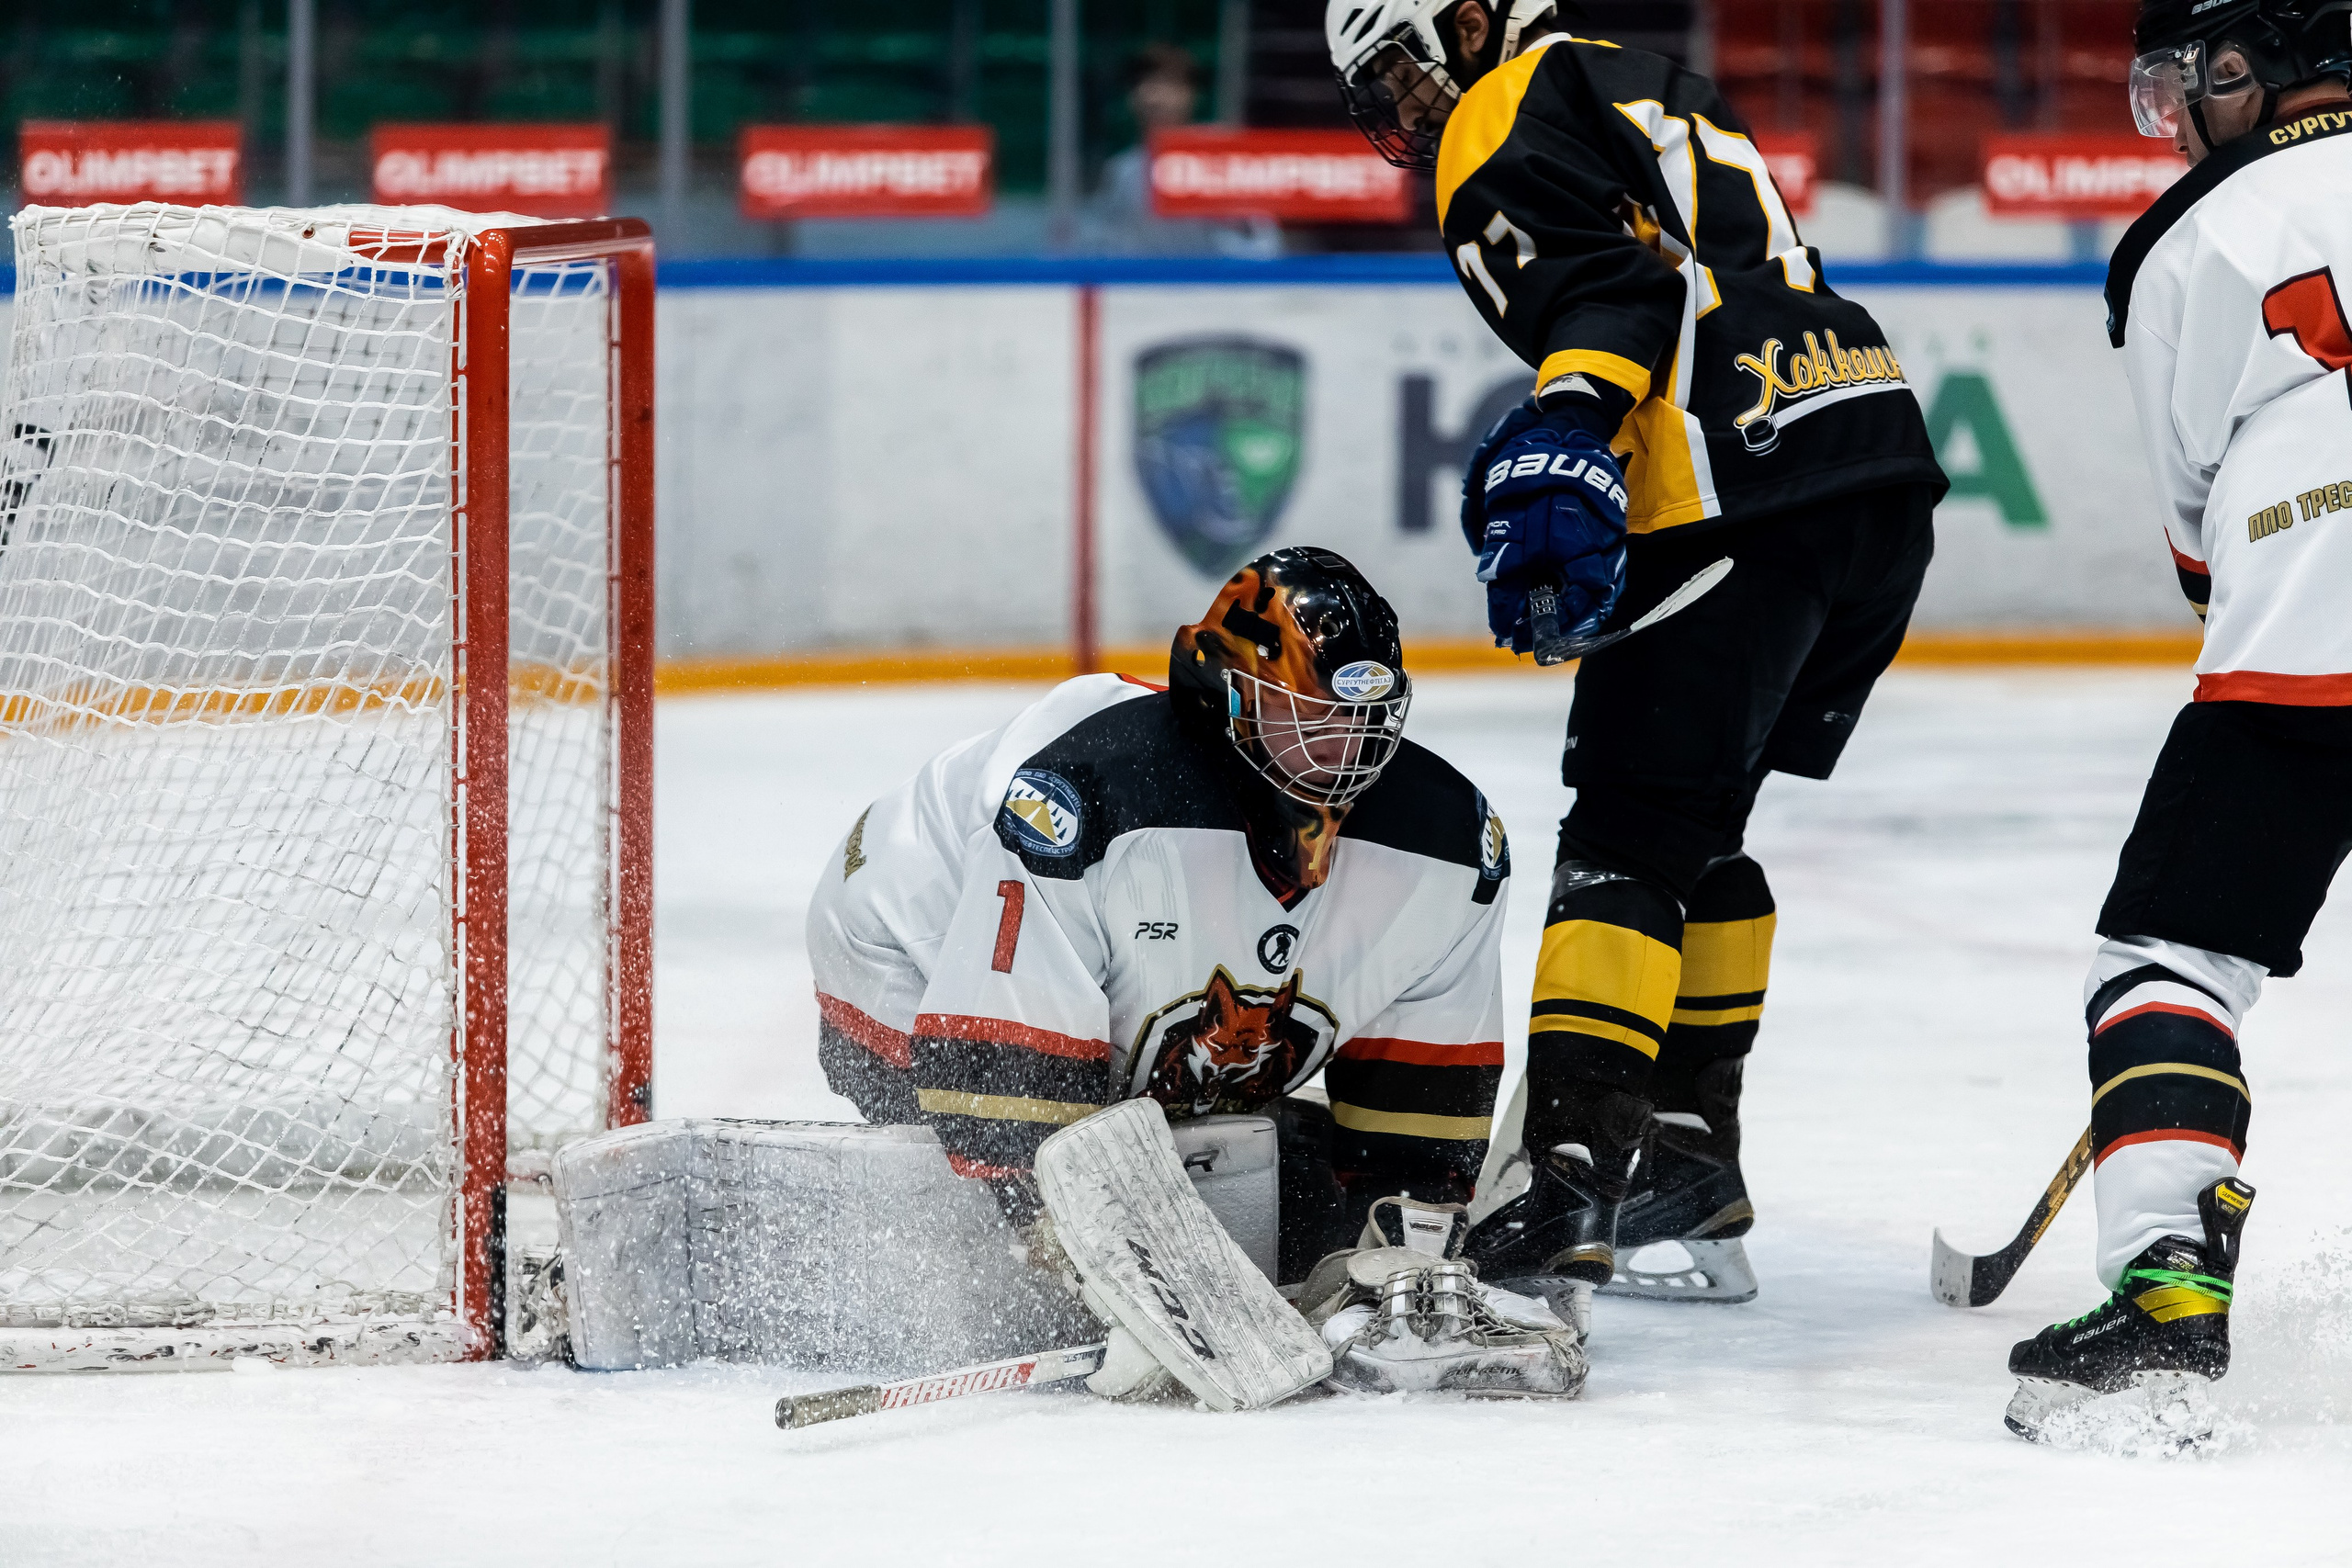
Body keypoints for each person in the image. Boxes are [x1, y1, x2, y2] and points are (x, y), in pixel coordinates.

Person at [1326, 0, 1948, 1312]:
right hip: (1870, 458)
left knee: (1623, 831)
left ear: (1470, 19)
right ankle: (1683, 1158)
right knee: (1698, 828)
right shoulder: (1633, 73)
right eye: (1371, 91)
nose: (1403, 113)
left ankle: (1565, 1182)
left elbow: (1621, 287)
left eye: (1398, 67)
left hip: (1741, 480)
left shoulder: (1497, 108)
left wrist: (1568, 416)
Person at [807, 548, 1511, 1290]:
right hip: (903, 955)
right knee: (1033, 1175)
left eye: (1361, 721)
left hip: (1094, 990)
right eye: (1304, 716)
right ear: (1223, 698)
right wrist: (1072, 1247)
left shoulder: (1452, 846)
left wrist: (1394, 1232)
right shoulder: (1087, 799)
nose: (1339, 753)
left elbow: (1418, 1123)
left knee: (1262, 1168)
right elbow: (1001, 1076)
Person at [2001, 0, 2352, 1443]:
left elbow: (2197, 516)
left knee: (2168, 953)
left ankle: (2164, 1289)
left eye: (2182, 83)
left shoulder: (2186, 236)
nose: (2175, 116)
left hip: (2313, 616)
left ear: (2237, 71)